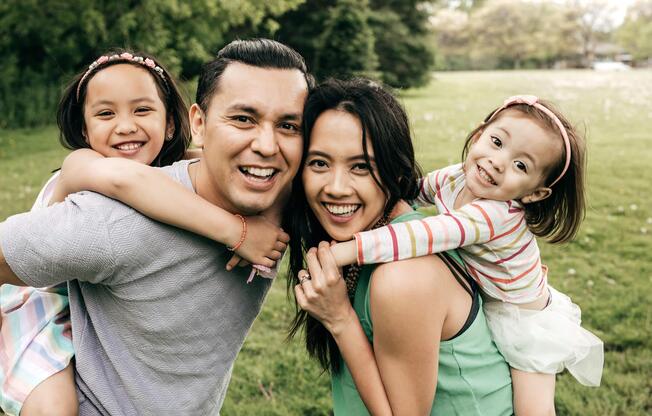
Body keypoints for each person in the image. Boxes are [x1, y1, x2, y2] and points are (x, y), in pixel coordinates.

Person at [0, 38, 312, 415]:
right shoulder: (107, 209)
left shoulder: (271, 187)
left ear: (170, 123)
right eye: (243, 119)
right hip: (34, 307)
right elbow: (124, 182)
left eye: (288, 125)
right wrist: (238, 233)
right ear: (199, 123)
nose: (265, 145)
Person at [328, 95, 604, 414]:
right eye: (497, 142)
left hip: (522, 320)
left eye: (520, 165)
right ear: (478, 135)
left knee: (533, 409)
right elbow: (416, 190)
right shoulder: (458, 176)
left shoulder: (494, 215)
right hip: (485, 296)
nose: (498, 161)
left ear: (534, 193)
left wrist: (347, 250)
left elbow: (421, 236)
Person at [285, 78, 514, 415]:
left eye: (361, 167)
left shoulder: (403, 277)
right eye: (319, 163)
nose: (335, 188)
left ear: (396, 170)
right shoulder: (372, 234)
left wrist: (339, 319)